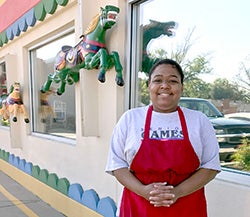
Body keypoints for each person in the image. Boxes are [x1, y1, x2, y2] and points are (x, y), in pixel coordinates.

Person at [105, 58, 221, 217]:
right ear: (149, 86)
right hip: (138, 205)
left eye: (173, 81)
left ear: (182, 87)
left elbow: (211, 166)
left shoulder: (199, 120)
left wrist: (177, 192)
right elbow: (116, 164)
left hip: (188, 205)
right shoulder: (130, 119)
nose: (165, 85)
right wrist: (144, 191)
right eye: (157, 80)